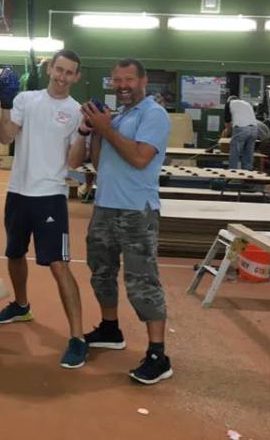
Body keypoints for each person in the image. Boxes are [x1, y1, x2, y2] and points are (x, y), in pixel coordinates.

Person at [69, 57, 173, 385]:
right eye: (117, 80)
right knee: (101, 273)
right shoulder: (119, 116)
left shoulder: (153, 114)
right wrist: (94, 130)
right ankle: (110, 329)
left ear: (143, 81)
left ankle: (158, 355)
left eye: (128, 79)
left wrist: (106, 128)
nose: (122, 86)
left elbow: (140, 158)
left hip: (136, 211)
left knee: (142, 281)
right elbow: (100, 162)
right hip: (104, 207)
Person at [0, 50, 88, 369]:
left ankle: (77, 337)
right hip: (18, 192)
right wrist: (5, 103)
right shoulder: (25, 100)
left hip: (50, 196)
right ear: (49, 69)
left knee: (58, 264)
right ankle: (21, 306)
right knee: (14, 253)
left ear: (77, 77)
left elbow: (74, 161)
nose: (62, 76)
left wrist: (84, 132)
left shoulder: (76, 111)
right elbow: (5, 136)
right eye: (59, 69)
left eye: (69, 72)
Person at [224, 95, 259, 170]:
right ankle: (247, 173)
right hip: (254, 129)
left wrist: (229, 133)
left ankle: (232, 172)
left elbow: (227, 121)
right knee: (248, 154)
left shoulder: (229, 103)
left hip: (241, 128)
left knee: (234, 152)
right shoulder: (247, 103)